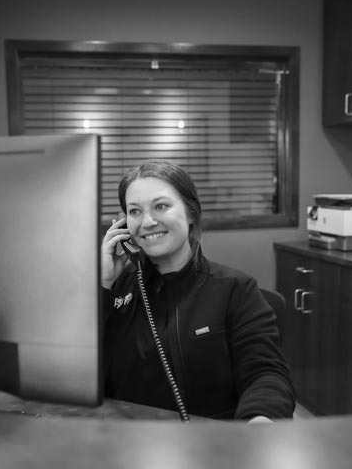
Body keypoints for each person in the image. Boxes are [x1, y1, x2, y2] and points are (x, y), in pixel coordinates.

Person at [101, 159, 295, 422]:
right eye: (135, 211)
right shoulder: (116, 291)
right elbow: (78, 371)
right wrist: (103, 287)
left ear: (191, 213)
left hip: (211, 438)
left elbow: (265, 373)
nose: (147, 222)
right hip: (126, 436)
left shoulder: (235, 289)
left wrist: (260, 419)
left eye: (161, 206)